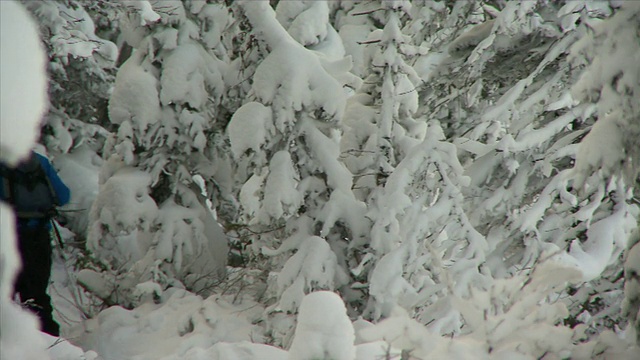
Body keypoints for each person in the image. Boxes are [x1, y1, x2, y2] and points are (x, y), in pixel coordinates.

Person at [0, 150, 70, 336]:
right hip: (39, 237)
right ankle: (51, 345)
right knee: (37, 295)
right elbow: (64, 196)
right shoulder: (40, 162)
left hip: (8, 239)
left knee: (5, 295)